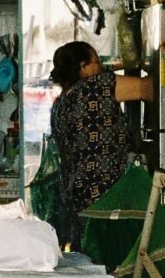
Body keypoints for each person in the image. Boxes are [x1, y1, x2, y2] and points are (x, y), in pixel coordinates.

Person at [50, 41, 154, 250]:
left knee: (94, 256)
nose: (102, 67)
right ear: (84, 67)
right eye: (97, 61)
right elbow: (149, 89)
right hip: (109, 194)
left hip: (79, 196)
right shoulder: (95, 86)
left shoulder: (61, 102)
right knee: (117, 254)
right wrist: (157, 64)